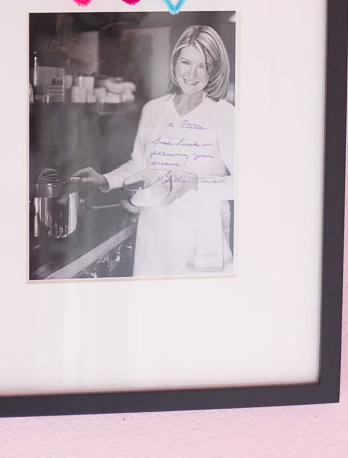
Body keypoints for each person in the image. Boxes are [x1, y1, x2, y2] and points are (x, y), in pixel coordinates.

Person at [74, 25, 235, 277]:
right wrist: (105, 180)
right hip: (155, 233)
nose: (192, 73)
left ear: (214, 69)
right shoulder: (153, 109)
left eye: (203, 65)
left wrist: (195, 183)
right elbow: (139, 164)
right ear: (175, 62)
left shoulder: (226, 115)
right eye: (186, 62)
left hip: (201, 236)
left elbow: (245, 185)